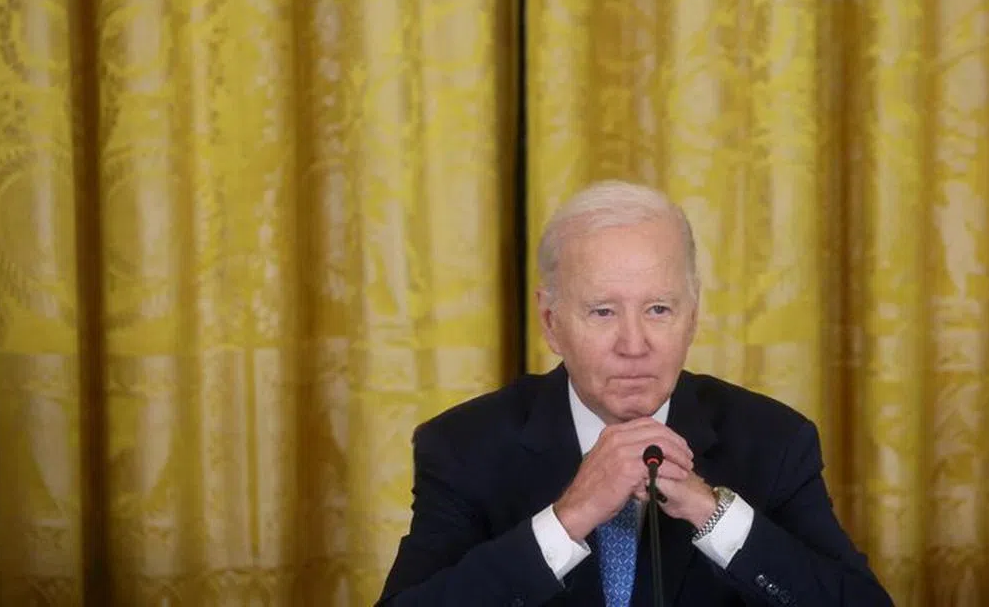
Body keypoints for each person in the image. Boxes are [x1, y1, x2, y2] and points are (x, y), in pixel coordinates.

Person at [377, 180, 893, 606]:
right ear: (551, 322)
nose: (634, 344)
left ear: (692, 318)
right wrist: (568, 518)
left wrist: (711, 513)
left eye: (658, 310)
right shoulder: (462, 446)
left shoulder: (775, 441)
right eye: (603, 312)